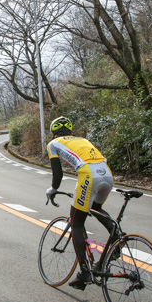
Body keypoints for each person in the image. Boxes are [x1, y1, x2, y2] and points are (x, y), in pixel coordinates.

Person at [45, 116, 118, 290]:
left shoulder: (53, 144)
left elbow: (58, 174)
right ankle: (117, 237)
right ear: (70, 131)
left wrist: (53, 190)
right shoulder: (83, 140)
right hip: (107, 174)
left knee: (76, 222)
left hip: (88, 175)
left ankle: (85, 272)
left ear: (54, 132)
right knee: (95, 207)